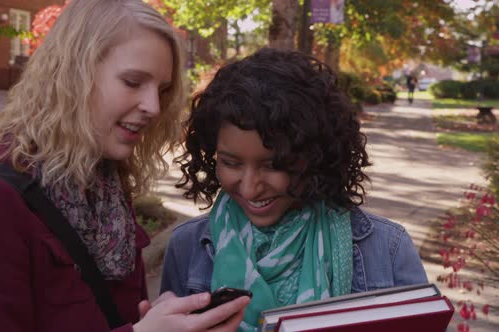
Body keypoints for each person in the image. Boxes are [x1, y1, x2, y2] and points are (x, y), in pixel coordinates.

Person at [0, 0, 249, 331]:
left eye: (162, 90)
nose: (152, 107)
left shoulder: (106, 196)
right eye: (133, 82)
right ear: (72, 76)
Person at [160, 48, 427, 331]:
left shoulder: (387, 249)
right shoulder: (187, 248)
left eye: (274, 165)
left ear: (316, 156)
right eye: (230, 162)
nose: (250, 188)